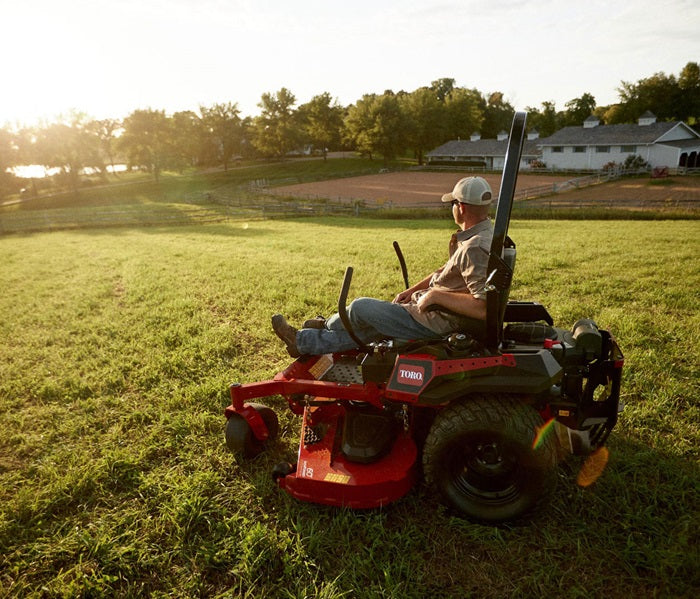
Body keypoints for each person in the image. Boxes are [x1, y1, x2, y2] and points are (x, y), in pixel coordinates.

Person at [272, 176, 495, 357]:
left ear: (461, 207)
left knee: (361, 308)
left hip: (439, 321)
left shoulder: (474, 247)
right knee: (373, 326)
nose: (452, 208)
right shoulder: (483, 235)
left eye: (453, 203)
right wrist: (411, 291)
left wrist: (436, 295)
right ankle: (303, 341)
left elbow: (483, 307)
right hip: (437, 313)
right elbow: (446, 272)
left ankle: (325, 325)